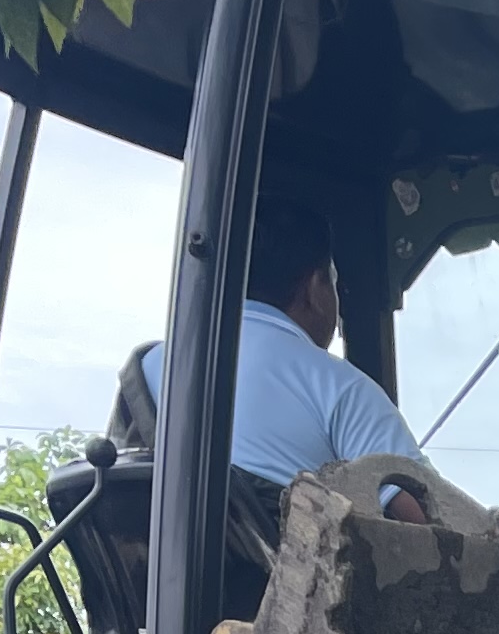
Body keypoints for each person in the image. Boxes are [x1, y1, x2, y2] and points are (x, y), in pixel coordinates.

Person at [138, 205, 432, 503]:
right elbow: (425, 513)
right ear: (315, 289)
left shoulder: (150, 366)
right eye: (333, 282)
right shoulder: (339, 386)